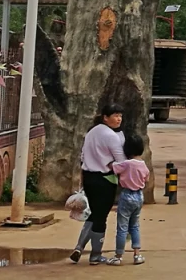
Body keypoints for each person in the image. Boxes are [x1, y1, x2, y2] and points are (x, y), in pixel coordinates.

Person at [70, 103, 126, 265]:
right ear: (105, 117)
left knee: (94, 214)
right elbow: (121, 161)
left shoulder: (91, 132)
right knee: (101, 218)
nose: (118, 119)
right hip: (105, 180)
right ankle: (95, 255)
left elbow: (82, 155)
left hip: (89, 178)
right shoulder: (111, 136)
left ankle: (79, 247)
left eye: (120, 115)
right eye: (115, 115)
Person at [108, 133, 150, 266]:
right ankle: (137, 255)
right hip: (139, 196)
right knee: (135, 226)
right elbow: (146, 179)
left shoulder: (126, 164)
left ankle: (118, 256)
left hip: (126, 195)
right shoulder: (143, 165)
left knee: (122, 228)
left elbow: (112, 167)